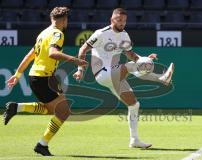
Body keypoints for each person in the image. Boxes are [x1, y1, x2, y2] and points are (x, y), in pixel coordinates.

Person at [73, 8, 174, 149]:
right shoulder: (101, 34)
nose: (122, 23)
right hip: (102, 73)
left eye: (124, 21)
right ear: (112, 19)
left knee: (134, 105)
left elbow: (131, 55)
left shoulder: (125, 36)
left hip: (115, 75)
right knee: (129, 67)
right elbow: (82, 49)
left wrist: (143, 60)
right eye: (119, 20)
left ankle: (134, 140)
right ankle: (161, 78)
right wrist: (80, 70)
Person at [3, 7, 87, 156]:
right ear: (64, 20)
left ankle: (17, 108)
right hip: (43, 78)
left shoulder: (43, 33)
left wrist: (17, 73)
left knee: (52, 110)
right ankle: (42, 144)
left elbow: (30, 55)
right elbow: (53, 53)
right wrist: (75, 60)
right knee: (63, 112)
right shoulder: (57, 33)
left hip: (40, 77)